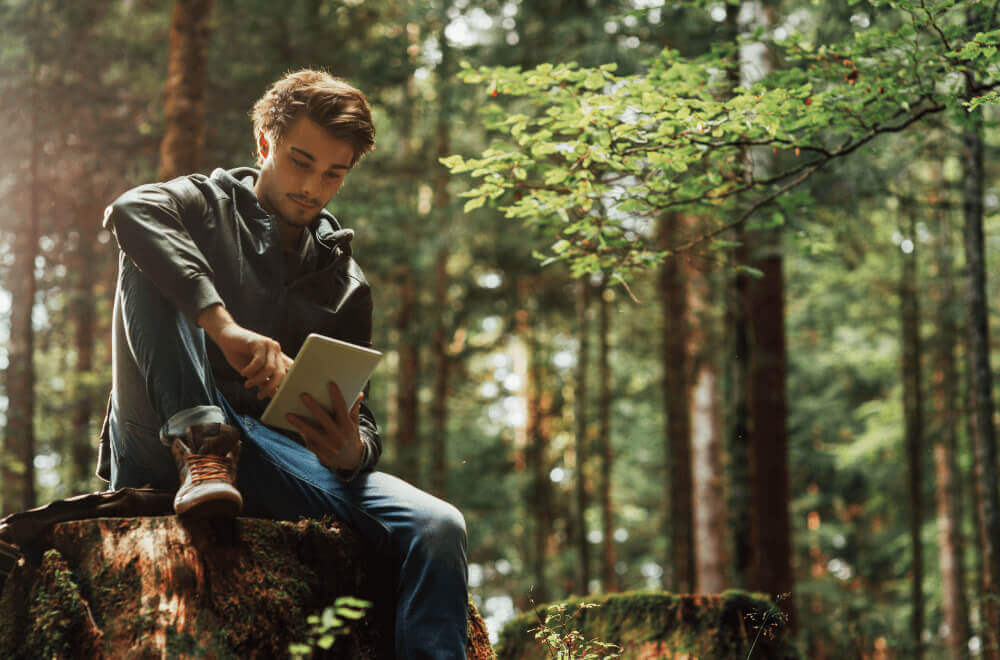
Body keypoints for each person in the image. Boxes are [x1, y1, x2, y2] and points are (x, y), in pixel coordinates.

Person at [96, 69, 469, 659]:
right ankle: (202, 443)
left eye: (334, 174)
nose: (313, 186)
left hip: (273, 457)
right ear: (265, 142)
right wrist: (220, 326)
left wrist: (352, 450)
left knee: (438, 525)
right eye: (301, 161)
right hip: (157, 435)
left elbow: (363, 421)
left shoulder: (346, 284)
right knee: (148, 250)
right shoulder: (203, 203)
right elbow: (129, 209)